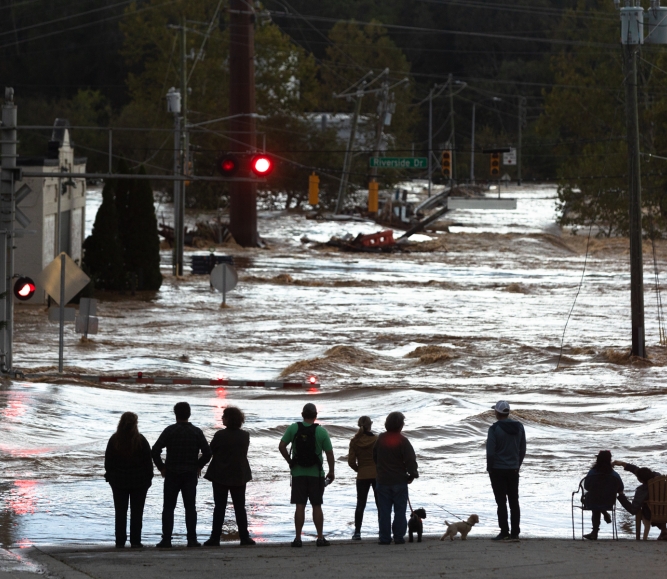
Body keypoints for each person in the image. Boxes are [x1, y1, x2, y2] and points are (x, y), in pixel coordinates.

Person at [152, 401, 212, 548]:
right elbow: (208, 453)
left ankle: (166, 539)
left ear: (175, 414)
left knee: (168, 507)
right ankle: (191, 539)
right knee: (190, 507)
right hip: (190, 473)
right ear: (189, 414)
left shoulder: (170, 430)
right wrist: (199, 465)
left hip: (171, 473)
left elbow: (155, 450)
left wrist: (161, 467)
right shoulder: (196, 432)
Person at [278, 403, 335, 547]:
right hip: (316, 474)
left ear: (302, 414)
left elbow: (281, 446)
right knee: (317, 505)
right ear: (316, 416)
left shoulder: (294, 428)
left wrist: (290, 461)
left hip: (298, 473)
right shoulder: (321, 431)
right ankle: (320, 538)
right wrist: (331, 471)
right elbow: (329, 453)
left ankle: (298, 539)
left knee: (300, 506)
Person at [203, 406, 255, 546]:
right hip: (239, 474)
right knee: (240, 507)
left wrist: (199, 465)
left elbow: (210, 451)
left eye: (224, 416)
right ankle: (244, 537)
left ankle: (215, 538)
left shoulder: (220, 435)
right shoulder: (245, 435)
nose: (221, 418)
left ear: (228, 419)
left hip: (220, 474)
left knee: (219, 507)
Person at [104, 412, 154, 548]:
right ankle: (135, 541)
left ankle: (120, 541)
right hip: (139, 481)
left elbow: (108, 462)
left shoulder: (114, 440)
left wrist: (110, 476)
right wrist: (149, 478)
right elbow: (148, 462)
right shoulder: (141, 440)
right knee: (137, 512)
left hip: (119, 481)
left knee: (120, 512)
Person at [373, 411, 419, 545]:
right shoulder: (403, 440)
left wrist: (380, 470)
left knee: (384, 511)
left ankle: (384, 538)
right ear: (400, 425)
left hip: (382, 481)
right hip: (399, 480)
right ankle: (398, 537)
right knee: (400, 511)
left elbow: (374, 456)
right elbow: (410, 459)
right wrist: (412, 474)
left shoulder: (380, 439)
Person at [486, 400, 526, 541]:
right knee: (514, 501)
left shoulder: (494, 429)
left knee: (501, 502)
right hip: (513, 469)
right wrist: (517, 465)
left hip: (497, 470)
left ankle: (504, 532)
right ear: (507, 412)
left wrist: (489, 467)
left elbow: (490, 452)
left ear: (497, 413)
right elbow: (523, 449)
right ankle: (515, 532)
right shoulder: (519, 427)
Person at [613, 460, 667, 540]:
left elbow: (633, 510)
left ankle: (663, 532)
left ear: (640, 480)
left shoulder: (642, 490)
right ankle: (664, 531)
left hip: (652, 514)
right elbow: (642, 473)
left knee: (643, 508)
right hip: (665, 511)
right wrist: (624, 464)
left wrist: (621, 495)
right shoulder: (660, 480)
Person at [348, 416, 378, 540]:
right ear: (370, 425)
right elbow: (381, 457)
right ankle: (383, 530)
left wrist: (359, 469)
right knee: (380, 504)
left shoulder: (354, 441)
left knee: (360, 504)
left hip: (362, 476)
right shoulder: (377, 440)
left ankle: (357, 532)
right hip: (376, 475)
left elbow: (351, 462)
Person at [582, 451, 623, 540]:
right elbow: (621, 488)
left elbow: (586, 486)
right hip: (609, 501)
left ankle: (595, 532)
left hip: (592, 501)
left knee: (590, 501)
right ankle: (604, 512)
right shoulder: (614, 475)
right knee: (598, 501)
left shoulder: (592, 473)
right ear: (610, 460)